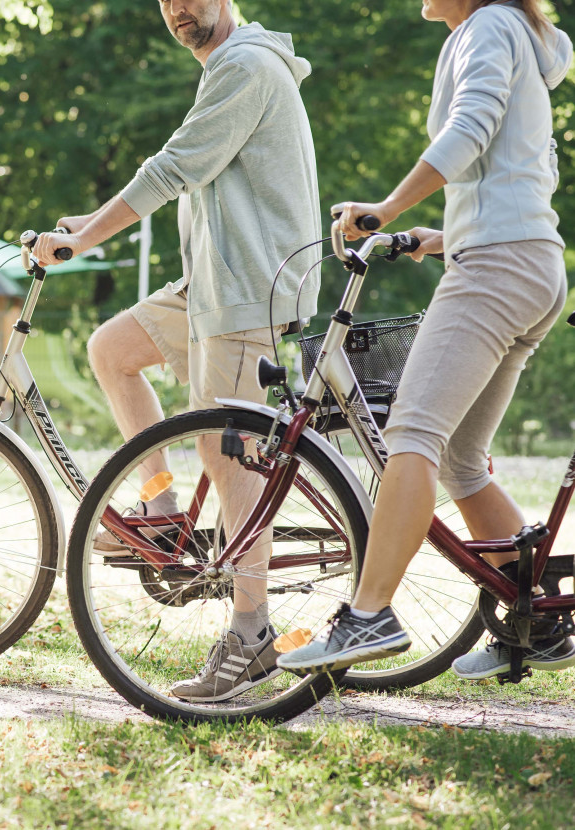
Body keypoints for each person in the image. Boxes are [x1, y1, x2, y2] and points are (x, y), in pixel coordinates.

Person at [277, 0, 575, 680]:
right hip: (527, 260)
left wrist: (385, 207)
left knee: (412, 430)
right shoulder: (513, 34)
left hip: (500, 268)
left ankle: (369, 615)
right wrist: (437, 236)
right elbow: (517, 167)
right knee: (463, 460)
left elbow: (469, 131)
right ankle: (542, 625)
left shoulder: (490, 25)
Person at [33, 0, 321, 700]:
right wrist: (90, 223)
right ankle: (161, 510)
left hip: (250, 292)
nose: (179, 10)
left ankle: (253, 630)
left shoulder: (245, 66)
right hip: (211, 285)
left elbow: (170, 171)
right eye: (166, 1)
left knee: (227, 459)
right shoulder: (229, 66)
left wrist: (83, 239)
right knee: (113, 349)